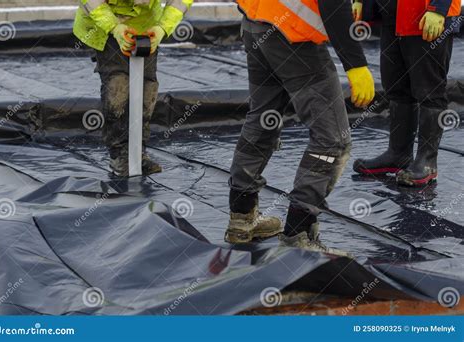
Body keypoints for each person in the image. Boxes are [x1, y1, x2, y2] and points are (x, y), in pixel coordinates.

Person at [224, 0, 375, 253]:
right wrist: (355, 64)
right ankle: (299, 232)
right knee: (333, 140)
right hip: (293, 36)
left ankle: (242, 217)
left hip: (256, 24)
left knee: (262, 120)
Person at [73, 0, 193, 176]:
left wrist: (162, 28)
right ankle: (119, 153)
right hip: (103, 23)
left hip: (146, 25)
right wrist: (114, 27)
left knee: (147, 90)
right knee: (118, 88)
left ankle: (138, 152)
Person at [352, 0, 461, 186]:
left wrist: (438, 9)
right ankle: (398, 155)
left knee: (430, 90)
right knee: (396, 86)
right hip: (392, 15)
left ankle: (427, 162)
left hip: (426, 14)